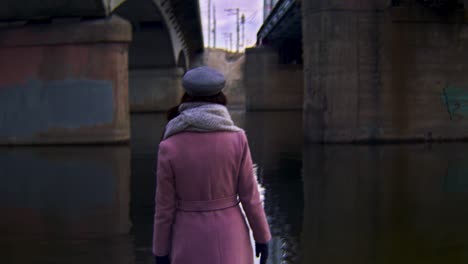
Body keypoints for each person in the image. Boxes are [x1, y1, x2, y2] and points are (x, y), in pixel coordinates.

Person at [152, 66, 271, 264]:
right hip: (231, 237)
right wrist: (262, 237)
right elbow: (250, 197)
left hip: (187, 238)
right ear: (220, 97)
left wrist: (160, 251)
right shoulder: (237, 139)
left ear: (186, 96)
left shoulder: (169, 145)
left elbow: (164, 208)